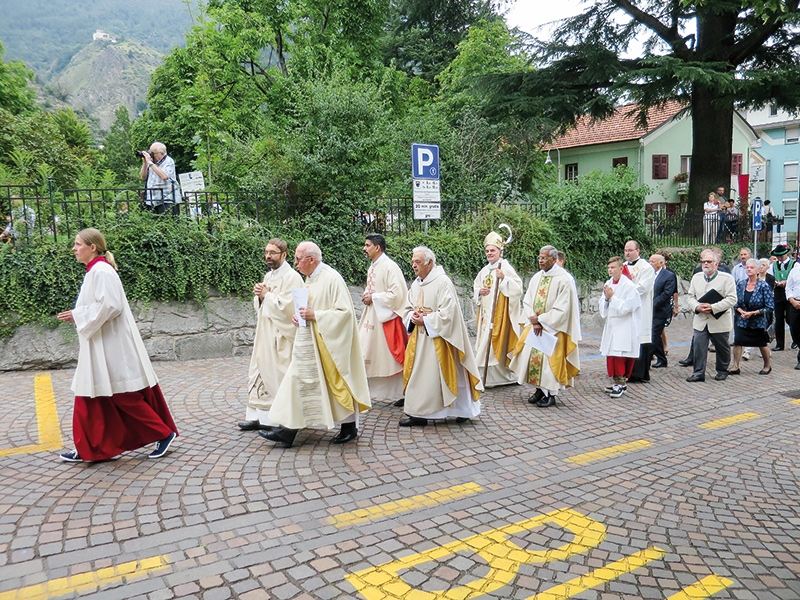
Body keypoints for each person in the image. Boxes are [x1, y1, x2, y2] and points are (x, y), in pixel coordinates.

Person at [56, 228, 178, 462]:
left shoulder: (101, 271)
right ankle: (91, 447)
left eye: (78, 244)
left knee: (122, 394)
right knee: (91, 394)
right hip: (100, 342)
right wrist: (79, 315)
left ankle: (164, 433)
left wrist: (79, 315)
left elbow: (111, 305)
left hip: (110, 344)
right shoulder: (96, 271)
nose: (74, 248)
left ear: (93, 247)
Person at [261, 242, 371, 447]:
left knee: (335, 382)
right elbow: (306, 306)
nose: (295, 263)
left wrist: (315, 315)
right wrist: (299, 317)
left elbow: (344, 314)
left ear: (311, 260)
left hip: (330, 344)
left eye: (298, 259)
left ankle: (349, 427)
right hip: (310, 341)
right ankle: (287, 430)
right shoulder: (309, 279)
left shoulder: (331, 278)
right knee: (297, 380)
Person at [400, 246, 483, 426]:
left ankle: (463, 410)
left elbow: (449, 313)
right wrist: (412, 318)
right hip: (420, 340)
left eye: (418, 262)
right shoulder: (416, 284)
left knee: (451, 374)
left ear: (429, 262)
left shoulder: (442, 282)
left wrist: (427, 320)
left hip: (441, 339)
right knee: (419, 375)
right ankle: (418, 414)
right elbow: (407, 307)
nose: (414, 265)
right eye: (413, 261)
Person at [238, 239, 304, 432]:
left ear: (284, 255)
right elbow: (262, 304)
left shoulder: (292, 277)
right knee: (257, 370)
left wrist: (266, 295)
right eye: (266, 252)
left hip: (280, 335)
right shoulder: (269, 276)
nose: (268, 256)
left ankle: (277, 420)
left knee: (278, 375)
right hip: (264, 332)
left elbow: (290, 307)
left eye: (273, 253)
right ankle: (257, 416)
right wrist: (259, 295)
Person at [509, 246, 581, 408]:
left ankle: (551, 394)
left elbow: (563, 308)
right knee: (531, 358)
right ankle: (540, 390)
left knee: (550, 364)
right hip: (535, 327)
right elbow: (527, 300)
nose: (540, 261)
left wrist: (541, 320)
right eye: (539, 257)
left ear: (554, 260)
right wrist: (533, 319)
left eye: (544, 258)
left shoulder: (565, 279)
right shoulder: (536, 277)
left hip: (553, 329)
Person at [358, 234, 408, 405]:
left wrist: (374, 297)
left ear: (377, 247)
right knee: (365, 348)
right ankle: (372, 391)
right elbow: (373, 286)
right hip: (372, 314)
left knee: (388, 356)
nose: (364, 249)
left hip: (385, 318)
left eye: (367, 245)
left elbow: (397, 294)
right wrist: (367, 294)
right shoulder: (373, 266)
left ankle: (399, 392)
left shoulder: (390, 267)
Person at [473, 231, 522, 387]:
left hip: (499, 314)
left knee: (494, 342)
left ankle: (499, 376)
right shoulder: (485, 270)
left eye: (492, 250)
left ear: (500, 251)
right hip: (485, 315)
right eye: (487, 251)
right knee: (484, 342)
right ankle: (488, 376)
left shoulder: (505, 267)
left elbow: (517, 289)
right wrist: (479, 292)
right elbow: (476, 286)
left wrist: (504, 279)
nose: (489, 253)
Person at [685, 249, 737, 382]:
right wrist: (697, 306)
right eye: (703, 262)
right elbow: (690, 296)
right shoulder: (696, 277)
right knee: (699, 347)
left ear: (716, 263)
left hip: (719, 320)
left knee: (722, 347)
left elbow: (732, 299)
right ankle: (698, 372)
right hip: (701, 319)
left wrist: (713, 307)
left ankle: (722, 370)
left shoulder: (727, 278)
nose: (706, 264)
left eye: (709, 262)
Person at [599, 256, 642, 398]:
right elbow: (603, 303)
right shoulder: (608, 283)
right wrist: (606, 299)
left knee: (620, 355)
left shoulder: (629, 286)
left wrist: (612, 298)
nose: (610, 270)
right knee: (612, 355)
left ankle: (621, 383)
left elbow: (627, 308)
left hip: (625, 325)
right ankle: (616, 382)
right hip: (612, 325)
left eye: (613, 267)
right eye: (608, 268)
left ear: (621, 268)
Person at [728, 258, 774, 375]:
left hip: (758, 321)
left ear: (758, 270)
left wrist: (753, 313)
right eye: (747, 267)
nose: (748, 269)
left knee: (761, 343)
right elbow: (735, 301)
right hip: (742, 319)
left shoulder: (763, 286)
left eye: (752, 267)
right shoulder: (741, 284)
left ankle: (767, 365)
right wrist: (741, 311)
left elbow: (769, 307)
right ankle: (735, 366)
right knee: (738, 341)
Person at [623, 240, 655, 383]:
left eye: (630, 250)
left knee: (641, 338)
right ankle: (625, 371)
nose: (627, 253)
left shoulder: (646, 268)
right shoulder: (622, 266)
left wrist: (624, 292)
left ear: (638, 251)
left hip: (641, 309)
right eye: (626, 250)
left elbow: (643, 287)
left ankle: (639, 373)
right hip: (625, 309)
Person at [648, 253, 677, 368]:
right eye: (649, 261)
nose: (650, 264)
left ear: (661, 262)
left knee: (654, 334)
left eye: (653, 261)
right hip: (650, 311)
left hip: (661, 310)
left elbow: (667, 293)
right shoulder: (650, 274)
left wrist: (653, 304)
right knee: (654, 335)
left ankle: (648, 358)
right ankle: (662, 359)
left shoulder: (669, 275)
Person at [139, 142, 180, 214]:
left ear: (162, 153)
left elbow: (164, 176)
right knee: (153, 224)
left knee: (168, 223)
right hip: (152, 200)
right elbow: (143, 177)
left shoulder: (168, 161)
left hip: (167, 199)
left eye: (153, 153)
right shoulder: (151, 162)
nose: (151, 155)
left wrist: (150, 163)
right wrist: (145, 163)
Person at [768, 244, 794, 351]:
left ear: (786, 254)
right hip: (778, 293)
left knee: (791, 318)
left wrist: (786, 282)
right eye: (778, 256)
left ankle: (796, 340)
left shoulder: (794, 265)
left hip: (791, 292)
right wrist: (774, 282)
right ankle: (780, 344)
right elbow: (769, 277)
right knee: (778, 319)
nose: (780, 258)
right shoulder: (773, 266)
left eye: (781, 256)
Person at [785, 257, 800, 370]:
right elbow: (788, 287)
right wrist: (791, 300)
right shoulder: (795, 270)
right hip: (795, 303)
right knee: (794, 328)